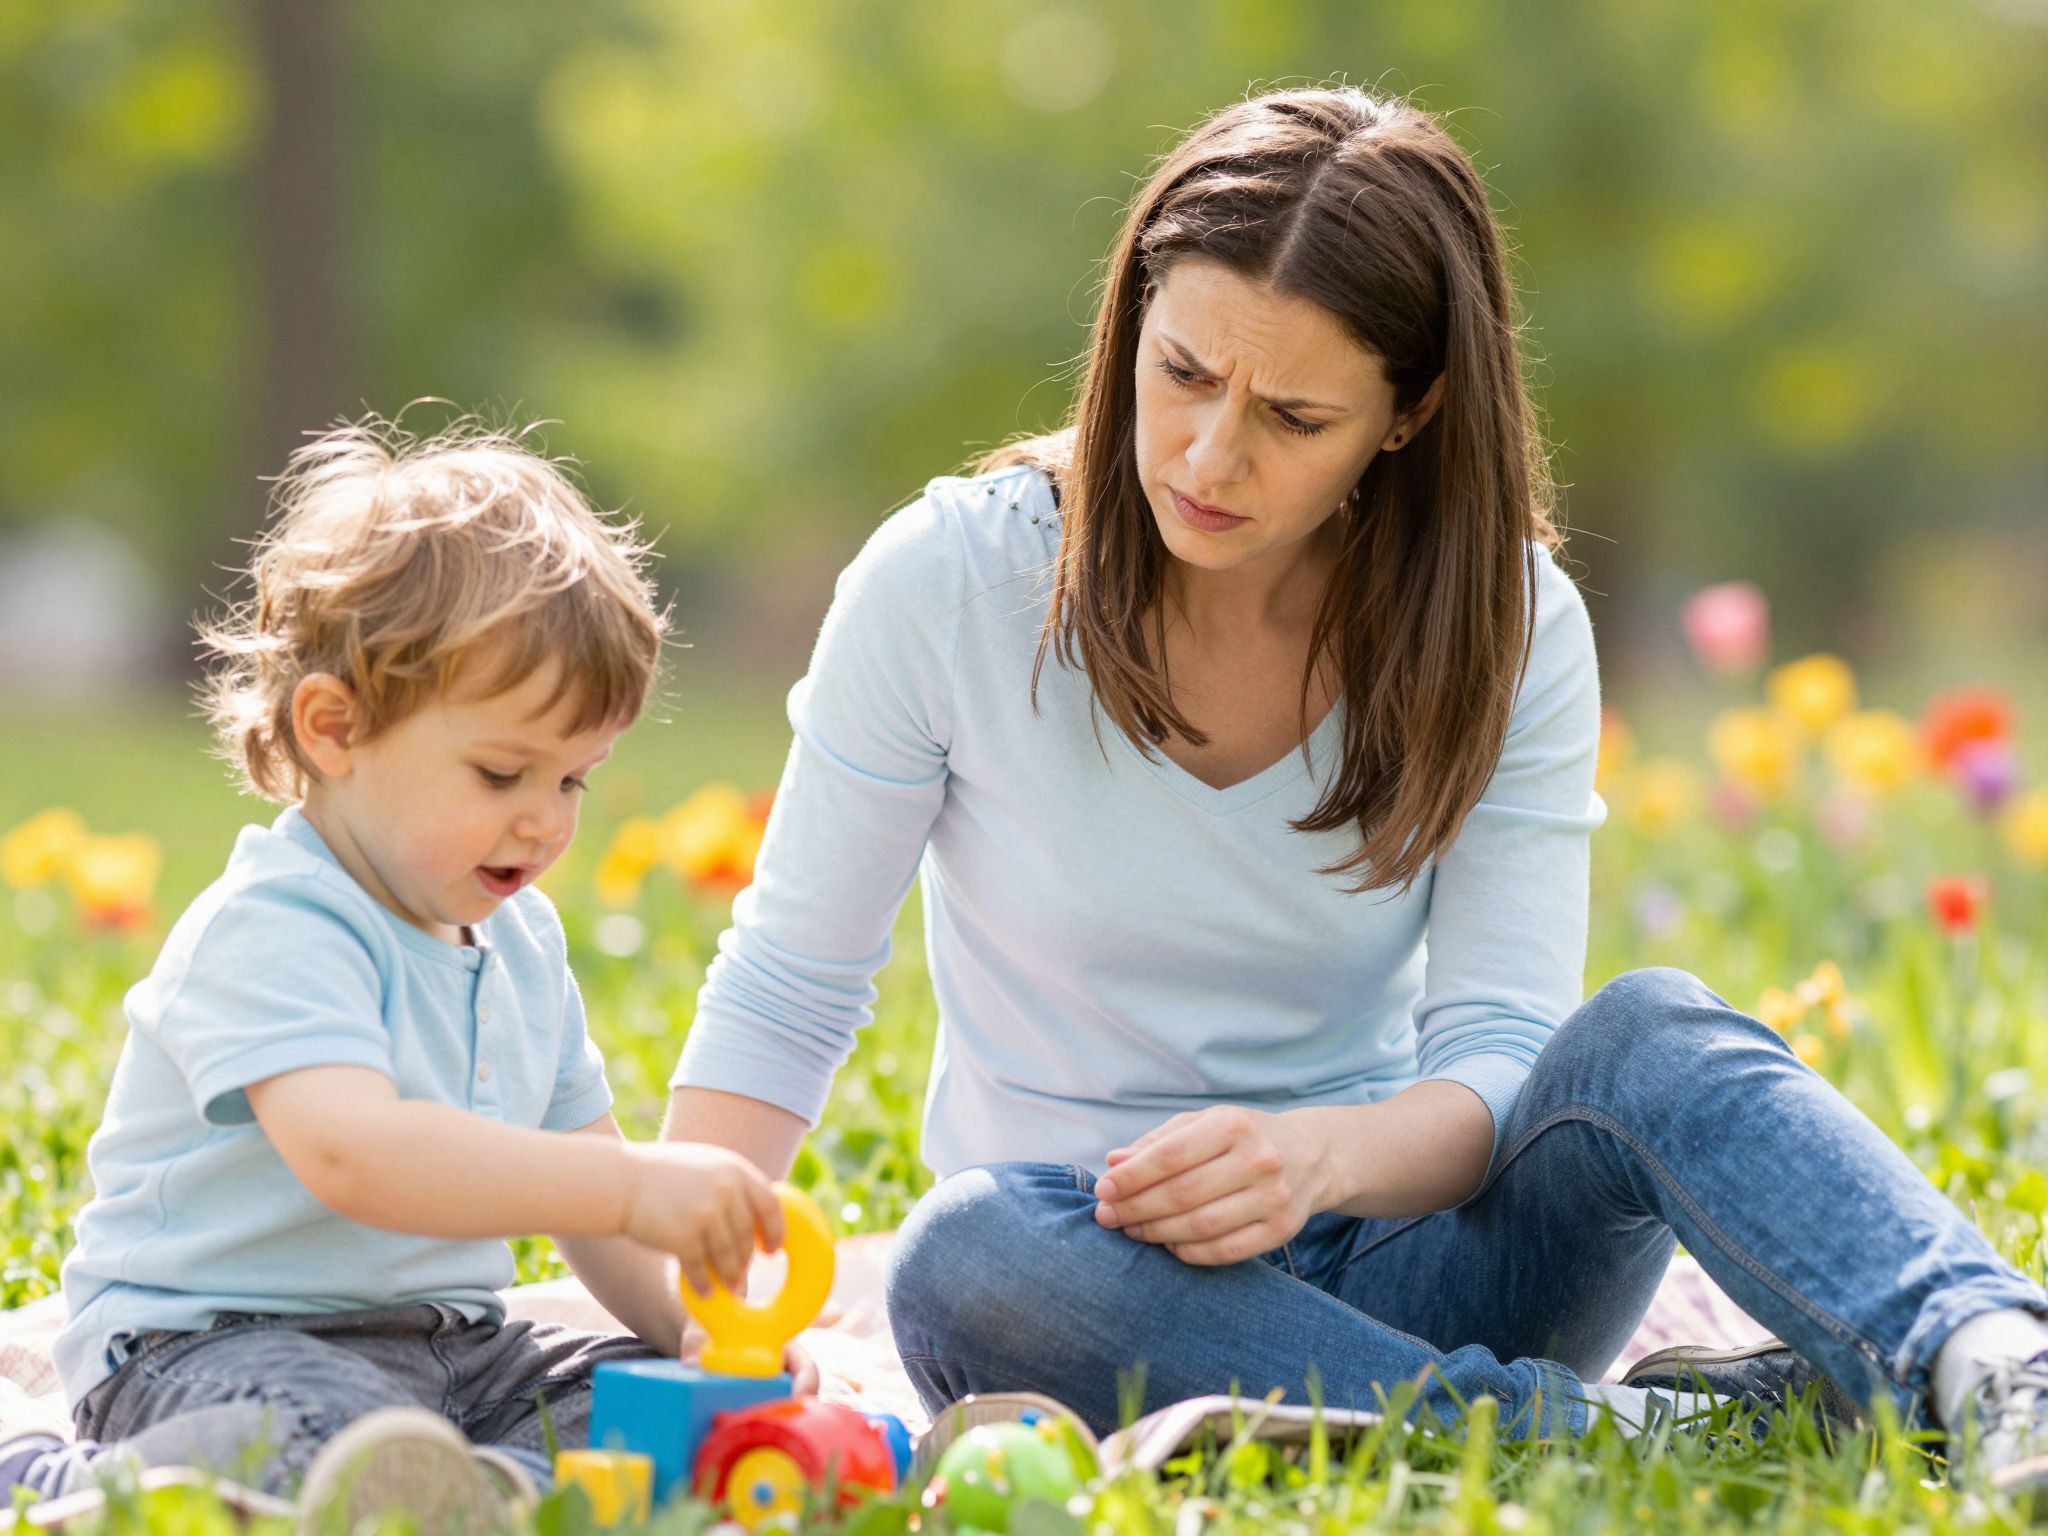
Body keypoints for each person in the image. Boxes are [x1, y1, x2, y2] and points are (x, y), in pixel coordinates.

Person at [657, 86, 2048, 1487]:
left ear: (1408, 412)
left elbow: (1502, 1050)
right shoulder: (952, 580)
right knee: (958, 1252)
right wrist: (685, 1306)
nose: (1211, 455)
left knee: (1651, 1031)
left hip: (1417, 1261)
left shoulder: (1508, 624)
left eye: (1295, 415)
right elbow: (791, 984)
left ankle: (1993, 1360)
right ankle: (1619, 1438)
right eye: (1185, 373)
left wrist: (1317, 1161)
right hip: (1080, 1285)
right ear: (1132, 325)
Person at [0, 420, 809, 1528]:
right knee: (314, 1435)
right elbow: (355, 1155)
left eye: (574, 781)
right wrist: (631, 1187)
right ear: (333, 729)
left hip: (450, 1349)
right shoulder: (275, 924)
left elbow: (596, 1212)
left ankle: (472, 1494)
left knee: (650, 1408)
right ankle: (61, 1483)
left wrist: (700, 1340)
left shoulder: (519, 945)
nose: (543, 819)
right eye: (500, 771)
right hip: (212, 1345)